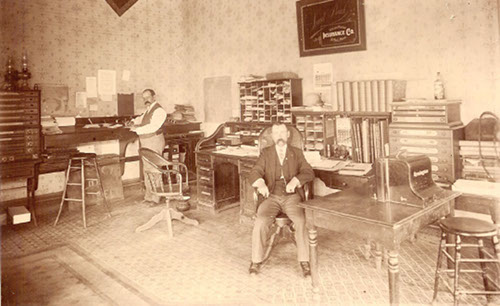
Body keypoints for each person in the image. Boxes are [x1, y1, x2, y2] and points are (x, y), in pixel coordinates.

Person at [248, 123, 315, 277]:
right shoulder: (266, 153)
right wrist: (261, 183)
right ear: (272, 136)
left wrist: (296, 180)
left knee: (300, 221)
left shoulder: (296, 153)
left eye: (282, 132)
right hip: (270, 196)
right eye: (276, 132)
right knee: (260, 221)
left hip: (292, 198)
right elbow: (255, 172)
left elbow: (308, 172)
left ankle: (304, 260)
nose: (279, 135)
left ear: (288, 135)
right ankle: (256, 260)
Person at [130, 89, 167, 204]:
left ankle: (156, 198)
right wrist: (132, 122)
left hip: (154, 141)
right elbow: (141, 119)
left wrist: (137, 129)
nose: (146, 100)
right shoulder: (149, 110)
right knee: (147, 169)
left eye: (148, 97)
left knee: (154, 169)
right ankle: (149, 196)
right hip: (146, 141)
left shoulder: (160, 111)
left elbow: (153, 126)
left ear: (154, 97)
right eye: (144, 98)